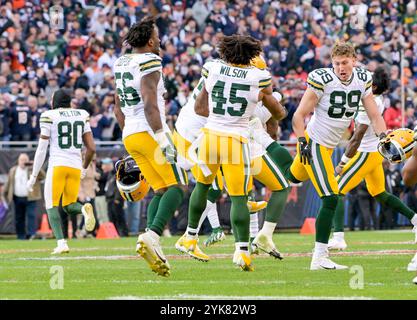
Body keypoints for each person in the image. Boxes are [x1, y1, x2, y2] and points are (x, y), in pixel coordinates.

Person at [176, 34, 287, 271]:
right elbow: (277, 114)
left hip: (209, 137)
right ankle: (242, 252)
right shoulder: (259, 76)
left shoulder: (212, 68)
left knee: (202, 187)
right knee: (238, 197)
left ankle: (189, 237)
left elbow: (200, 107)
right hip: (234, 141)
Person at [285, 42, 387, 270]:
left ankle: (267, 158)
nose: (341, 67)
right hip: (314, 143)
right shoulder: (322, 79)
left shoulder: (362, 79)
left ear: (354, 60)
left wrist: (384, 137)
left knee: (289, 179)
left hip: (328, 146)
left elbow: (374, 115)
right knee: (331, 197)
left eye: (345, 63)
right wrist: (302, 141)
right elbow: (299, 115)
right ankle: (319, 258)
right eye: (337, 63)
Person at [113, 17, 187, 277]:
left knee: (161, 189)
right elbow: (149, 103)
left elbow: (116, 107)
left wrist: (129, 132)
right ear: (149, 41)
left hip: (131, 134)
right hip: (149, 132)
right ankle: (153, 235)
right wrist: (162, 136)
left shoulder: (121, 62)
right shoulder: (150, 60)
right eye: (156, 36)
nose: (160, 40)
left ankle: (148, 239)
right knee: (178, 187)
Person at [329, 67, 417, 249]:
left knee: (335, 191)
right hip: (375, 152)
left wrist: (343, 162)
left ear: (374, 87)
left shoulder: (373, 102)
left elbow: (357, 136)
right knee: (380, 193)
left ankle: (338, 237)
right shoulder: (371, 86)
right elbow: (360, 73)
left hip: (366, 152)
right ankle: (415, 219)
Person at [26, 89, 96, 254]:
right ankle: (84, 209)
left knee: (51, 205)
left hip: (58, 164)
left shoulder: (49, 116)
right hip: (75, 165)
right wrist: (84, 168)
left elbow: (42, 149)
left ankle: (61, 242)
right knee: (69, 205)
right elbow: (91, 148)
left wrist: (34, 176)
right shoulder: (82, 114)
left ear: (54, 102)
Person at [4, 153, 45, 240]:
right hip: (17, 197)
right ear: (18, 161)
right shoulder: (13, 170)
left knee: (31, 216)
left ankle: (31, 234)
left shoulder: (32, 170)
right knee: (19, 218)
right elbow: (8, 184)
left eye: (25, 160)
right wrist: (4, 194)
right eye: (22, 160)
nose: (23, 162)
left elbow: (43, 176)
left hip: (30, 197)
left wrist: (36, 166)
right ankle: (21, 236)